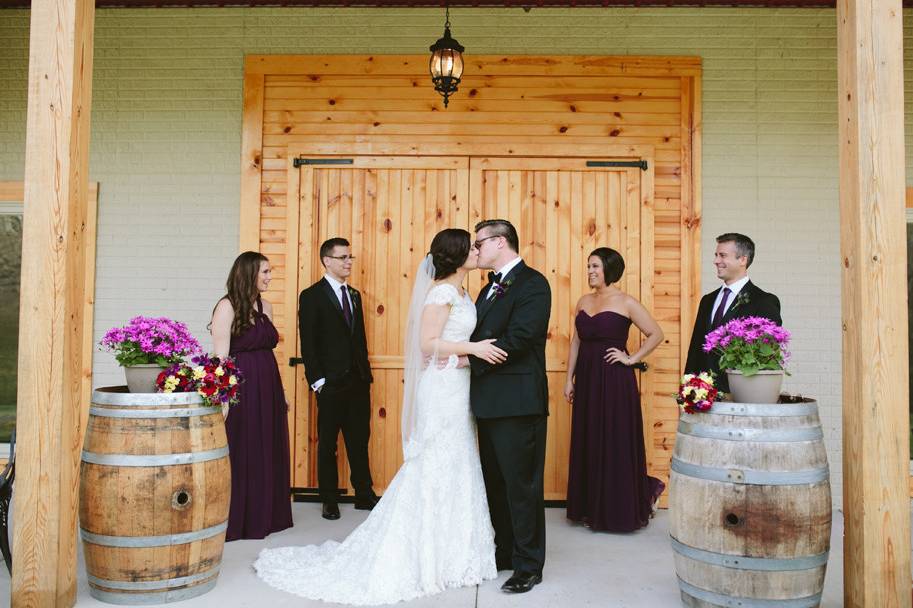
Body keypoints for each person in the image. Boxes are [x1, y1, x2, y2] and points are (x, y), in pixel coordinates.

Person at [254, 228, 507, 604]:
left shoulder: (463, 292)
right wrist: (474, 348)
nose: (476, 251)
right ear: (454, 256)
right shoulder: (440, 292)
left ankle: (455, 550)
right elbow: (427, 344)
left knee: (458, 463)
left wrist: (468, 355)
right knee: (435, 461)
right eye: (470, 247)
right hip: (442, 392)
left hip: (458, 386)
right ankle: (423, 552)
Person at [470, 219, 551, 594]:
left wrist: (468, 359)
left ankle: (528, 563)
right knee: (496, 484)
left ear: (500, 242)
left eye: (479, 243)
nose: (476, 249)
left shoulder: (533, 284)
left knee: (522, 486)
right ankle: (504, 551)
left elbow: (520, 336)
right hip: (488, 400)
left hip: (518, 402)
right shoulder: (488, 288)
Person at [563, 247, 665, 532]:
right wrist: (568, 378)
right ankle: (589, 506)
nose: (590, 272)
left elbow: (656, 333)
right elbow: (575, 343)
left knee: (614, 439)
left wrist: (632, 359)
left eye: (595, 266)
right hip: (587, 378)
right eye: (588, 267)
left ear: (609, 269)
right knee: (590, 437)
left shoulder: (626, 302)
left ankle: (620, 507)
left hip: (615, 380)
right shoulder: (583, 301)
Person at [210, 251, 293, 541]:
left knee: (267, 444)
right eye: (266, 272)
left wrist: (280, 391)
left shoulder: (266, 306)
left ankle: (266, 516)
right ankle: (240, 519)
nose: (270, 277)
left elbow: (270, 350)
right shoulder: (226, 306)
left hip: (267, 380)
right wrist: (223, 398)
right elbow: (220, 356)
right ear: (249, 274)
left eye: (270, 272)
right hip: (241, 382)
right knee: (243, 445)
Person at [296, 237, 377, 520]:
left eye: (350, 257)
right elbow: (309, 343)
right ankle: (328, 499)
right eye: (343, 257)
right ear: (327, 261)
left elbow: (359, 339)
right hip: (329, 384)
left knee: (359, 440)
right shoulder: (311, 296)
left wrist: (365, 374)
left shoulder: (354, 294)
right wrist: (317, 381)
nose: (348, 262)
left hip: (357, 382)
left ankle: (364, 494)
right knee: (328, 443)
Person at [684, 233, 781, 392]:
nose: (716, 261)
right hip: (703, 395)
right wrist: (687, 389)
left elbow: (766, 355)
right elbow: (695, 350)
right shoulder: (707, 300)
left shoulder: (764, 301)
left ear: (742, 260)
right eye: (716, 255)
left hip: (740, 396)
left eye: (723, 256)